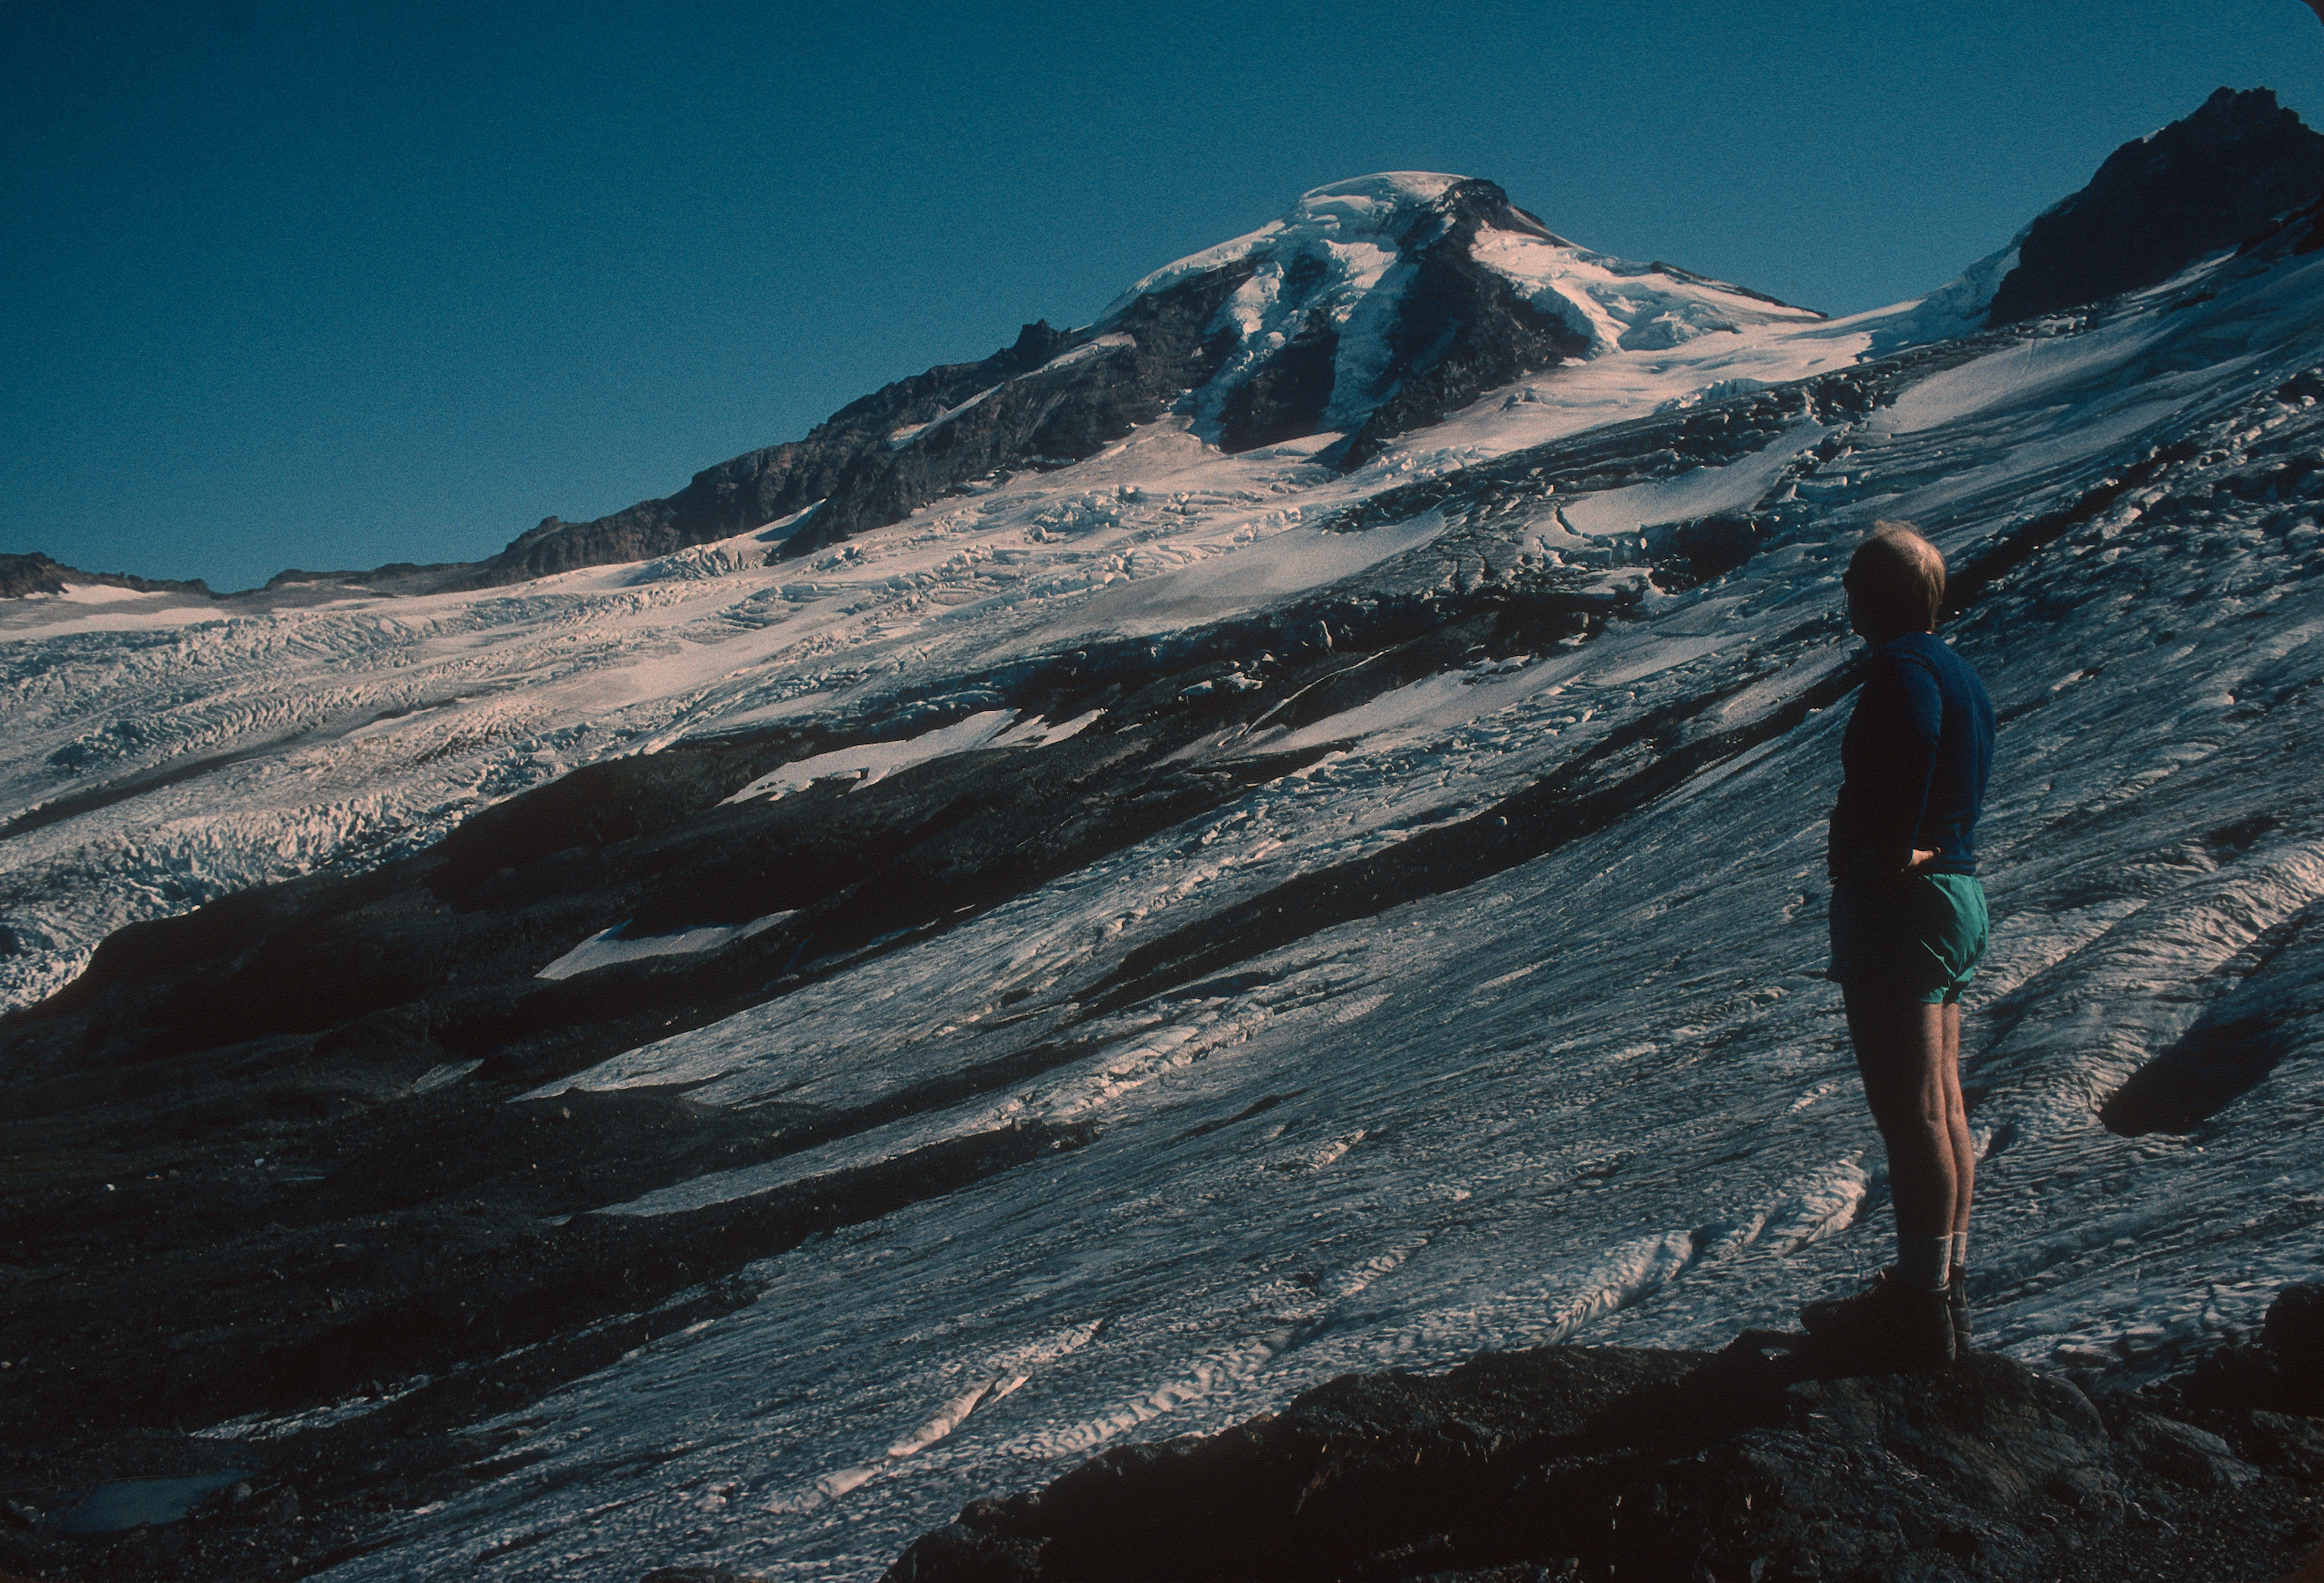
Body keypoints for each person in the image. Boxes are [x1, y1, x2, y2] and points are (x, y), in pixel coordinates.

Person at [1802, 522, 1995, 1370]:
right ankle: (1941, 1291)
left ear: (1876, 596)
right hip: (1953, 893)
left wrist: (1888, 845)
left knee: (1909, 1114)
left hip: (1903, 905)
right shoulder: (1958, 668)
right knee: (1942, 1108)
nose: (1844, 593)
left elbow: (1914, 738)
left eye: (1853, 581)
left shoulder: (1903, 668)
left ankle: (1919, 1310)